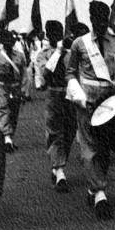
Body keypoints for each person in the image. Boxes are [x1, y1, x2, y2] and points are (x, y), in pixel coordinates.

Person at [65, 0, 115, 219]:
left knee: (105, 146)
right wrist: (77, 94)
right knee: (90, 146)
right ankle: (100, 193)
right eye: (97, 19)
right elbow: (70, 73)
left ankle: (94, 186)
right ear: (91, 19)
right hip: (87, 100)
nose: (101, 22)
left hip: (110, 100)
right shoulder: (80, 43)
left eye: (104, 19)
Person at [37, 20, 77, 193]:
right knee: (55, 132)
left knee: (70, 131)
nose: (56, 35)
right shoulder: (43, 54)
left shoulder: (70, 52)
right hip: (54, 93)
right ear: (47, 34)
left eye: (59, 31)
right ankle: (59, 170)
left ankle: (57, 165)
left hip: (69, 93)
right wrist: (58, 52)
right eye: (53, 32)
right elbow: (45, 73)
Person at [0, 29, 26, 152]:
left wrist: (24, 91)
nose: (8, 44)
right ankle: (6, 138)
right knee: (3, 110)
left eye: (10, 41)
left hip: (15, 87)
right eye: (5, 41)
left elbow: (24, 75)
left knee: (14, 113)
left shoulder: (19, 56)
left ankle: (10, 136)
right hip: (2, 86)